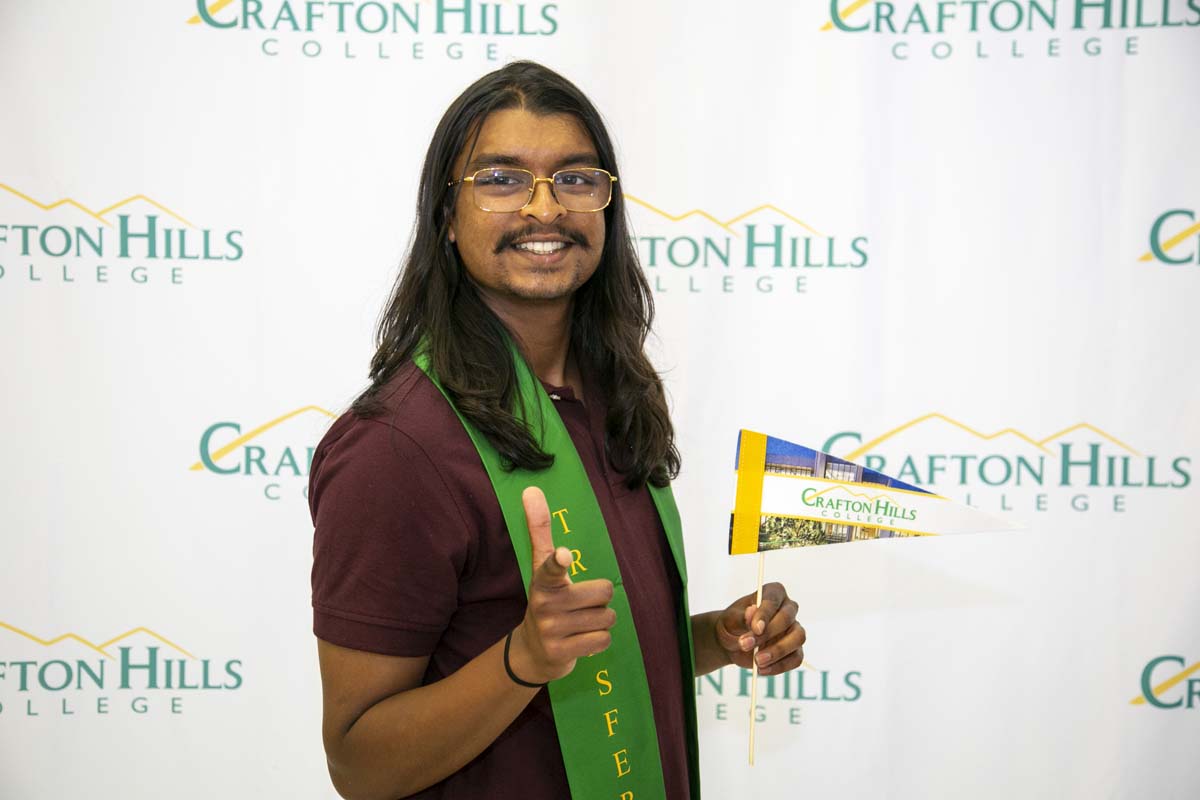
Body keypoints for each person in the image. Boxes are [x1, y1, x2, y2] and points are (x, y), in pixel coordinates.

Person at [309, 61, 806, 800]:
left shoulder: (612, 399)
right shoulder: (397, 447)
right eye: (501, 180)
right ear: (446, 216)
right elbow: (358, 763)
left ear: (606, 206)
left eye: (575, 179)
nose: (545, 209)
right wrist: (523, 658)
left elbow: (602, 651)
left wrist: (713, 637)